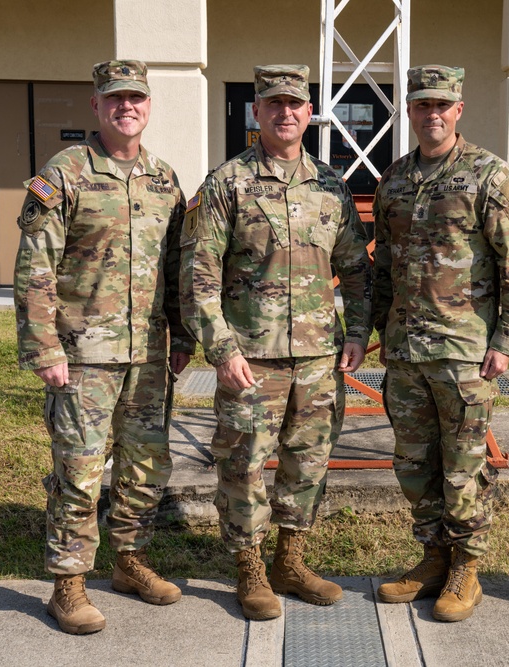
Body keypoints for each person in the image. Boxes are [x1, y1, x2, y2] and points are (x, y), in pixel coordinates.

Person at [180, 64, 371, 620]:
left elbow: (357, 271)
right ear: (256, 112)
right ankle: (250, 571)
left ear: (309, 113)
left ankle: (291, 559)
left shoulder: (330, 186)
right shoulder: (225, 184)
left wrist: (356, 332)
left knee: (306, 463)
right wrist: (222, 350)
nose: (285, 113)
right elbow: (200, 277)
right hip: (250, 359)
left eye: (295, 104)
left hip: (317, 357)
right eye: (273, 104)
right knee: (242, 465)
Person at [13, 60, 193, 635]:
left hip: (149, 355)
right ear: (96, 105)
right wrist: (44, 348)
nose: (126, 107)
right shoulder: (65, 173)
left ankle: (129, 562)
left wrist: (184, 337)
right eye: (115, 98)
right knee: (80, 469)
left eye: (136, 97)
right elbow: (34, 267)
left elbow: (177, 269)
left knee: (145, 466)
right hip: (83, 354)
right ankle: (68, 584)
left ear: (148, 104)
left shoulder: (165, 179)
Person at [371, 65, 509, 622]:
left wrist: (508, 339)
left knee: (463, 465)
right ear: (410, 112)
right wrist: (375, 329)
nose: (432, 114)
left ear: (458, 110)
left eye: (442, 104)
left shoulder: (492, 177)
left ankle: (466, 569)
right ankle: (433, 557)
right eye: (421, 105)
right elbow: (383, 268)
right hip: (406, 352)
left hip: (466, 352)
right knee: (413, 464)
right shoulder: (394, 180)